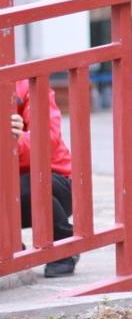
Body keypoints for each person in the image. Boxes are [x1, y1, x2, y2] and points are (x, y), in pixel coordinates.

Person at [11, 79, 79, 277]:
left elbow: (47, 138)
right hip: (10, 191)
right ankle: (11, 248)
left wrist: (16, 139)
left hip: (54, 181)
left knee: (30, 184)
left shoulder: (29, 83)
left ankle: (63, 247)